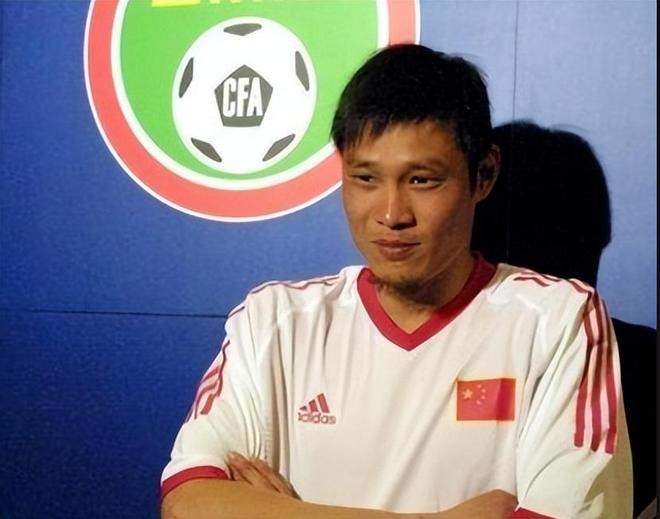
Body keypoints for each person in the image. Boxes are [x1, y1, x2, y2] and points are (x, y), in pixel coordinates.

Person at [160, 44, 631, 519]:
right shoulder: (274, 321)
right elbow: (187, 502)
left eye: (422, 180)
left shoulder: (558, 321)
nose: (391, 214)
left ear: (484, 174)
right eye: (365, 178)